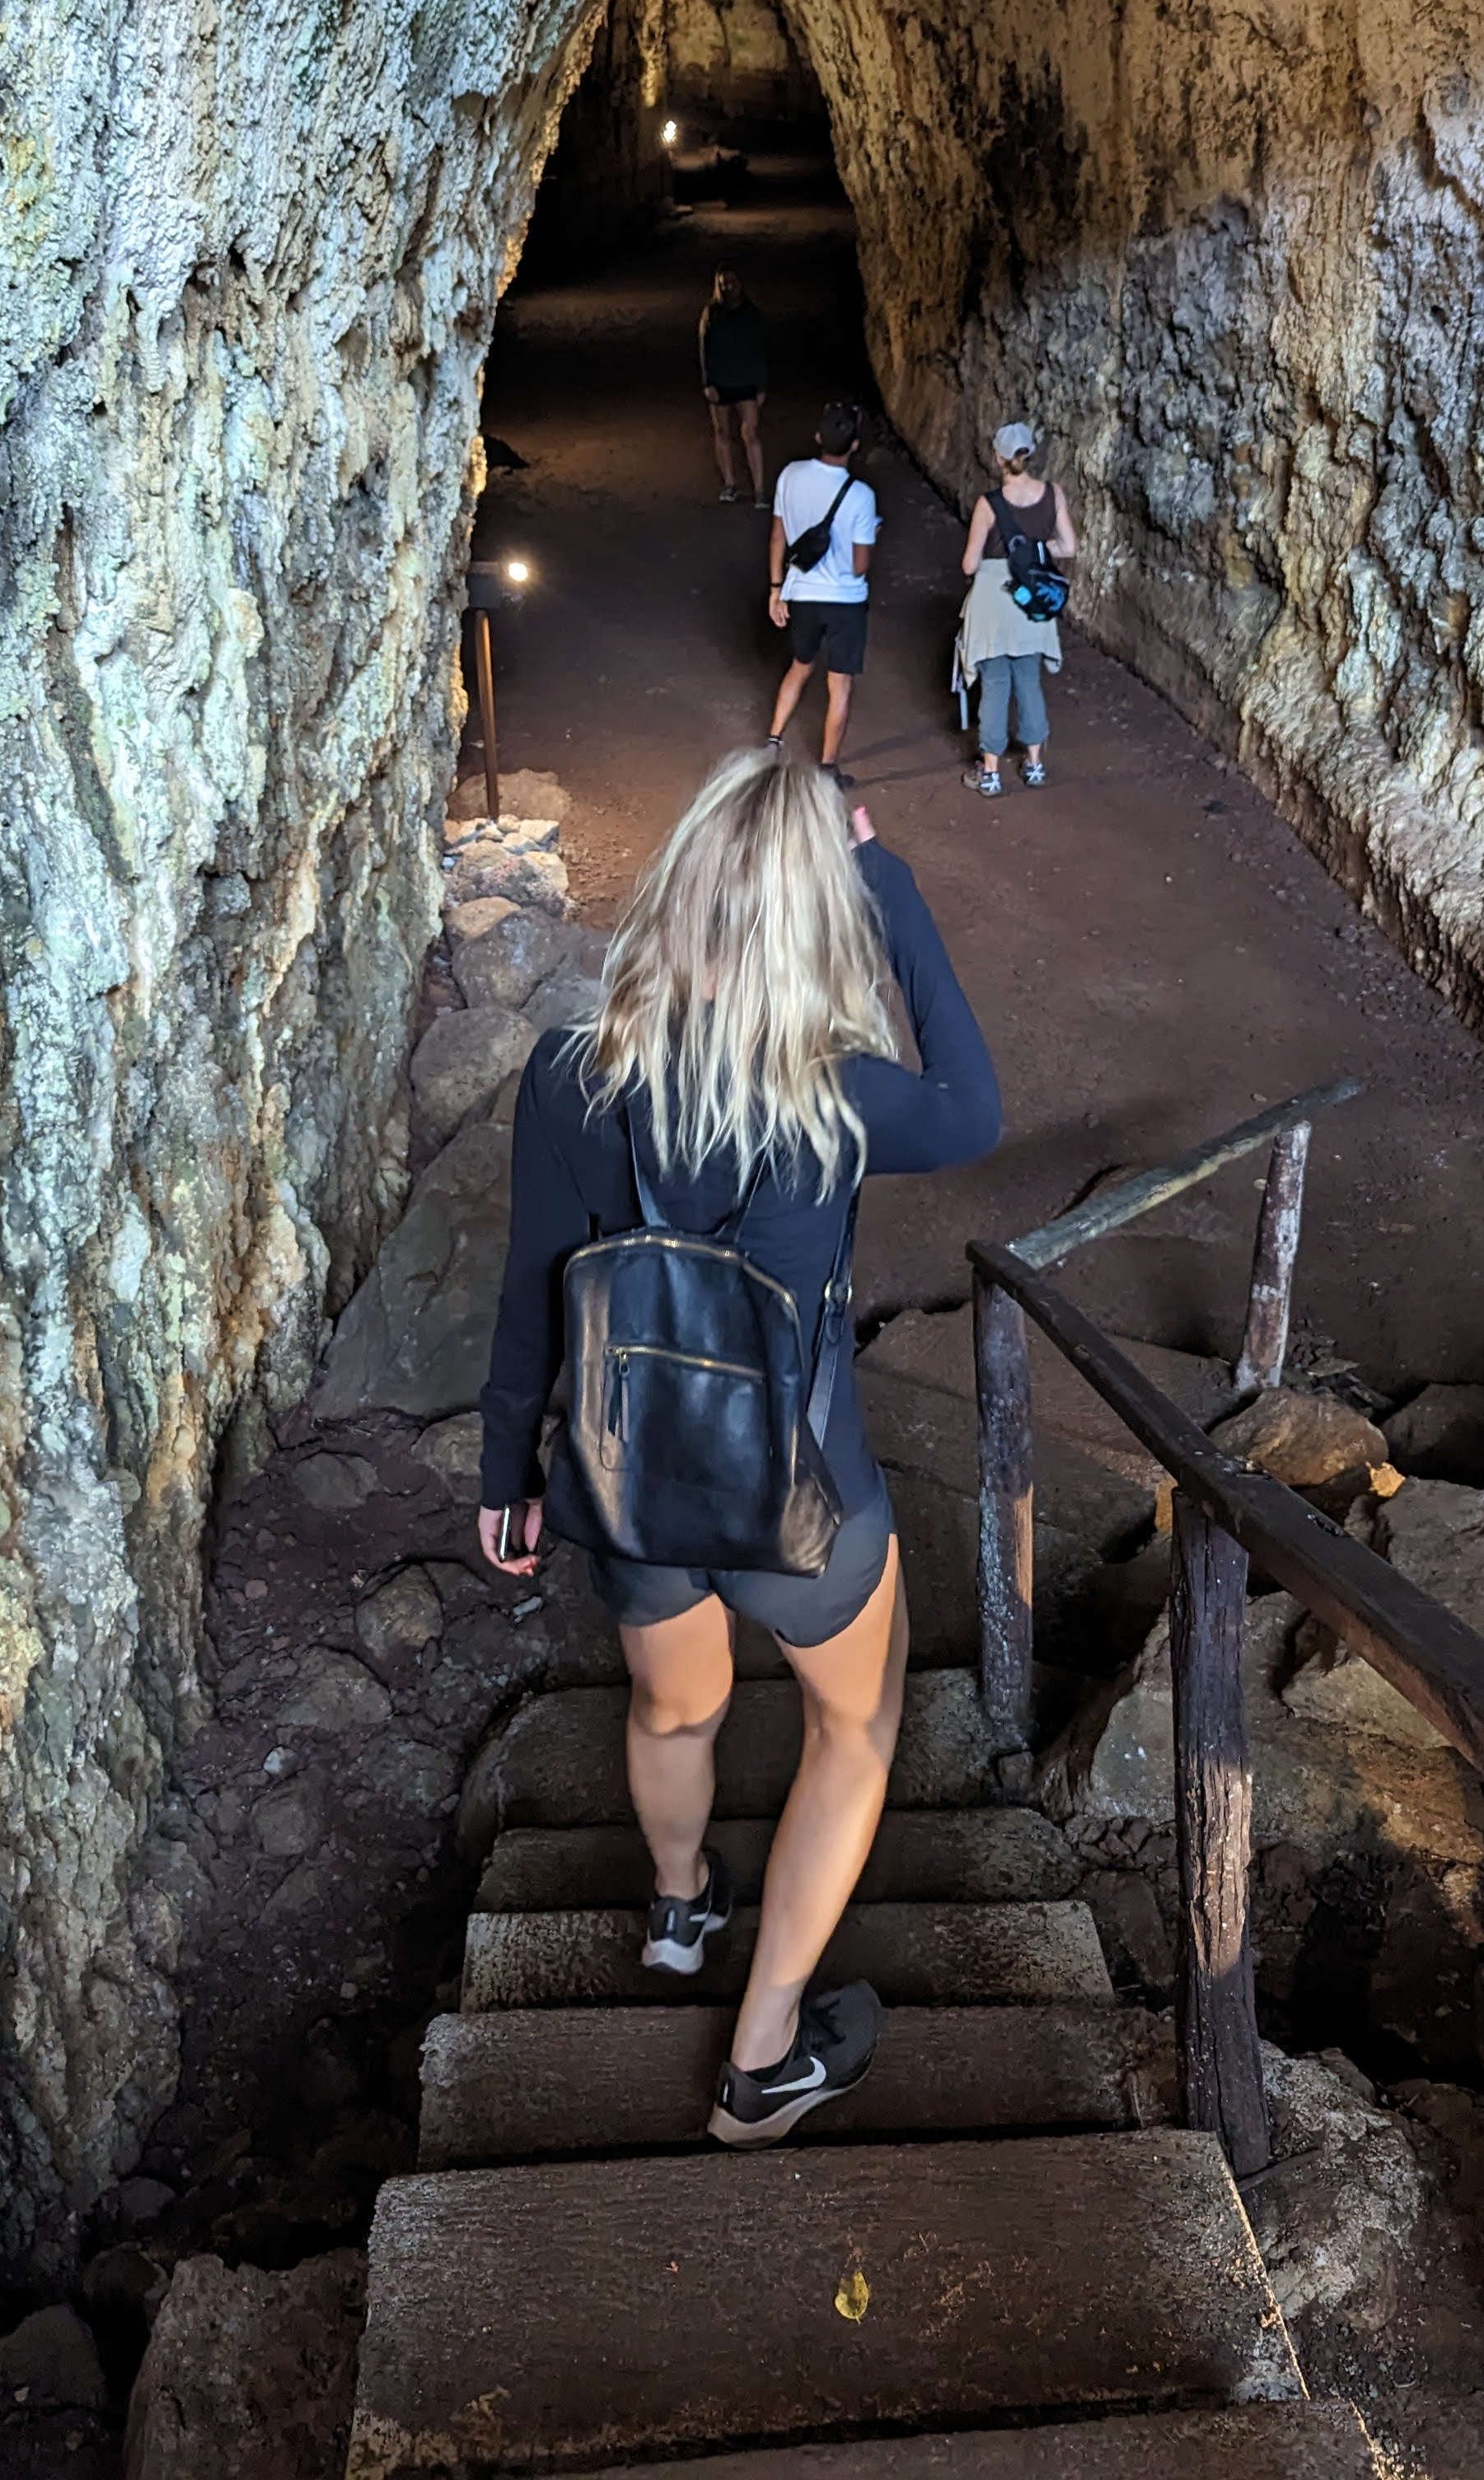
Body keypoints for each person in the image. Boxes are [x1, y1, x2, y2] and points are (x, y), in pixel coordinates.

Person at [478, 750, 1000, 2145]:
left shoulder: (565, 1075)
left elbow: (537, 1279)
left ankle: (675, 1906)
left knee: (673, 1708)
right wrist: (880, 877)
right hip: (795, 1494)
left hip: (627, 1476)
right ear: (807, 915)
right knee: (855, 1722)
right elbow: (973, 1106)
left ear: (682, 880)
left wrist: (504, 1470)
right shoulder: (833, 1095)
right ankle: (762, 2056)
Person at [957, 420, 1077, 795]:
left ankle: (990, 773)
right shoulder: (1054, 494)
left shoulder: (988, 504)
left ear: (998, 458)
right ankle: (1035, 765)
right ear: (1030, 454)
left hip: (995, 597)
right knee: (1028, 679)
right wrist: (1035, 554)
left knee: (994, 684)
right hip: (1032, 598)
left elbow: (969, 565)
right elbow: (1069, 547)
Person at [767, 401, 879, 776]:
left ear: (818, 438)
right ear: (855, 445)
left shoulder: (790, 476)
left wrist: (776, 588)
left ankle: (773, 740)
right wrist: (871, 536)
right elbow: (860, 567)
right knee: (839, 685)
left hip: (802, 593)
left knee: (800, 667)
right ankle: (828, 768)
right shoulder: (861, 495)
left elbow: (778, 537)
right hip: (845, 601)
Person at [699, 269, 768, 504]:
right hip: (721, 381)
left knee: (751, 432)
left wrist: (760, 385)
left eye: (731, 282)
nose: (728, 288)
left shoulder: (751, 314)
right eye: (723, 283)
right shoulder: (712, 313)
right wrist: (708, 381)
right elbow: (705, 349)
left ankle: (759, 489)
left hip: (746, 381)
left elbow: (760, 350)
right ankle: (730, 484)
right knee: (722, 432)